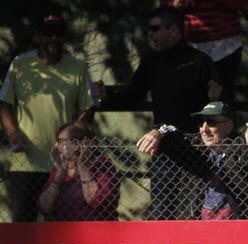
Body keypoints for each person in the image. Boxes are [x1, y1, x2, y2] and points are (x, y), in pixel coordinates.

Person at [94, 6, 221, 220]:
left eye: (155, 29)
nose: (150, 34)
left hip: (196, 146)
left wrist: (216, 97)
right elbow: (132, 96)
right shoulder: (151, 62)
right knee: (162, 213)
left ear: (174, 31)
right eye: (148, 29)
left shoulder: (200, 61)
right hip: (163, 147)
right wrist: (106, 96)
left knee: (192, 212)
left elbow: (218, 103)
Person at [0, 11, 96, 222]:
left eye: (58, 34)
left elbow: (88, 107)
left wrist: (73, 140)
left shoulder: (78, 68)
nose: (54, 38)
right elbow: (4, 102)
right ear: (39, 36)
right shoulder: (20, 64)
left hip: (63, 165)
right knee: (22, 227)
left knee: (61, 228)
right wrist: (13, 134)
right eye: (48, 33)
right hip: (26, 162)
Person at [137, 100, 248, 219]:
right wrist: (159, 132)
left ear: (229, 125)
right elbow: (174, 134)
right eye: (200, 123)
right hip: (197, 225)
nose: (204, 129)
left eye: (211, 123)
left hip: (237, 225)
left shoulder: (241, 149)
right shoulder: (195, 149)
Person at [161, 0, 248, 105]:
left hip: (225, 46)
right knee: (190, 101)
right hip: (189, 43)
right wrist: (175, 5)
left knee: (223, 101)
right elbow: (165, 10)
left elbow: (241, 3)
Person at [37, 122, 119, 221]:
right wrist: (60, 175)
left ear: (76, 144)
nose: (56, 146)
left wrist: (83, 167)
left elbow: (97, 201)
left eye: (60, 141)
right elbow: (44, 207)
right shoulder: (60, 167)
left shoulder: (101, 164)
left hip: (96, 229)